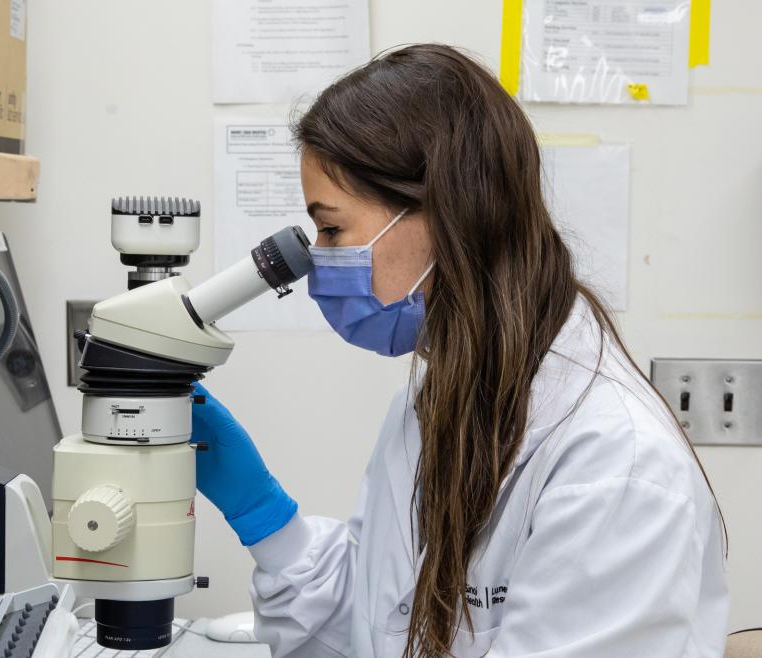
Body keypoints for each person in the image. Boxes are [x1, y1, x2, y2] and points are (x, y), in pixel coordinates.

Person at [191, 44, 729, 657]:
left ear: (446, 216)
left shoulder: (613, 469)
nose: (318, 257)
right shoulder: (439, 397)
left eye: (333, 228)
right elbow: (378, 623)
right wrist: (264, 517)